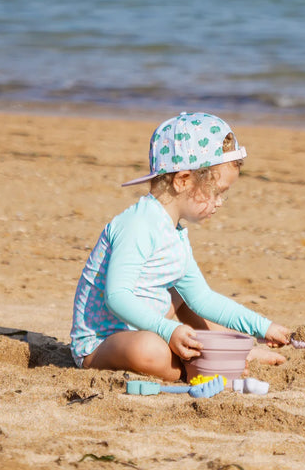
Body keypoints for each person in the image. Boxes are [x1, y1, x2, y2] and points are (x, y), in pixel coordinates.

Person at [70, 111, 291, 381]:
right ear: (183, 180)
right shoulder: (138, 225)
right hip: (104, 342)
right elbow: (117, 297)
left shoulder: (175, 233)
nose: (220, 202)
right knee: (149, 350)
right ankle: (201, 366)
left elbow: (203, 299)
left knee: (183, 295)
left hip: (150, 325)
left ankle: (230, 349)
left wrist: (263, 327)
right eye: (217, 192)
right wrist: (167, 330)